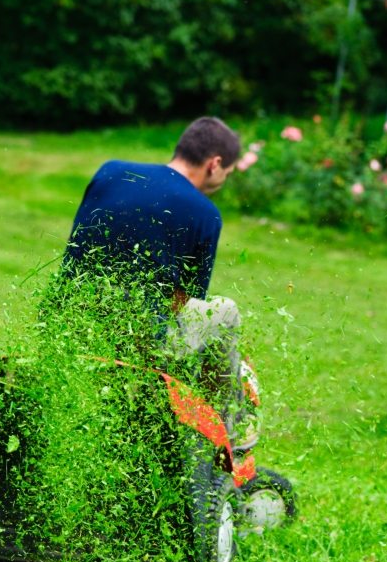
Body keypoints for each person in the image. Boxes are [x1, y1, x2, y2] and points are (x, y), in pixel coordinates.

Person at [63, 116, 258, 449]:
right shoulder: (205, 213)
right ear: (215, 164)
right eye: (227, 173)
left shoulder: (110, 172)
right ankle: (227, 429)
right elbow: (181, 303)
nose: (224, 180)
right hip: (135, 342)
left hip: (68, 320)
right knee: (225, 311)